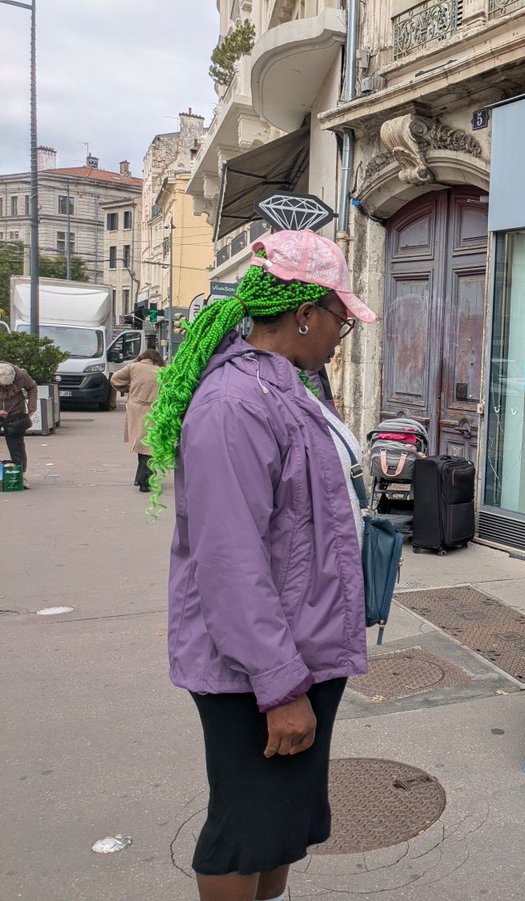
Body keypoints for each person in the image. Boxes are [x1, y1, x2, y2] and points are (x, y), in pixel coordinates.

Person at [146, 230, 377, 901]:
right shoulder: (236, 403)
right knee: (242, 829)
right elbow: (229, 561)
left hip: (300, 651)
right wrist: (280, 687)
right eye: (340, 318)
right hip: (256, 670)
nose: (343, 334)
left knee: (278, 826)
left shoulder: (292, 387)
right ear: (304, 312)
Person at [110, 348, 165, 491]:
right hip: (154, 410)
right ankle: (144, 480)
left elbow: (115, 379)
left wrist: (127, 388)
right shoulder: (162, 371)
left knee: (142, 446)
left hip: (136, 409)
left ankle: (142, 479)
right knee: (150, 446)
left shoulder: (133, 367)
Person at [0, 361, 38, 479]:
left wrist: (32, 405)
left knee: (16, 444)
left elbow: (32, 387)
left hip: (15, 412)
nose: (5, 388)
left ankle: (19, 473)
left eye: (8, 385)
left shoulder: (22, 375)